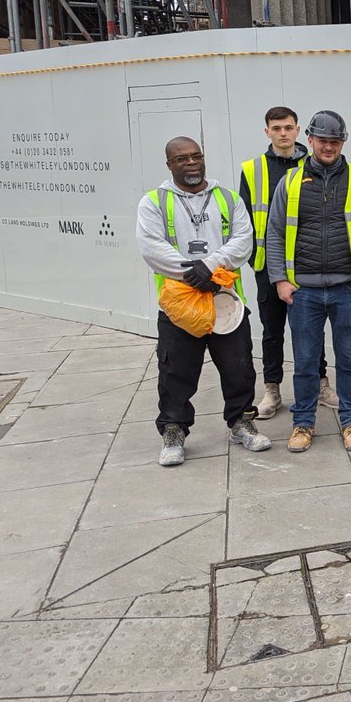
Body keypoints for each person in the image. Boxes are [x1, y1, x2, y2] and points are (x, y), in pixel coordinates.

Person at [136, 136, 271, 466]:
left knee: (238, 367)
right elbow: (153, 248)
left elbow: (243, 241)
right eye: (182, 159)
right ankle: (174, 429)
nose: (191, 163)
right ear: (170, 165)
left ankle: (241, 422)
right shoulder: (153, 202)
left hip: (225, 302)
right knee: (176, 371)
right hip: (180, 306)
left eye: (196, 156)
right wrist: (191, 273)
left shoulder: (228, 198)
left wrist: (210, 267)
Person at [265, 110, 351, 453]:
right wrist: (280, 281)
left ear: (343, 142)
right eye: (323, 141)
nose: (329, 147)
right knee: (305, 361)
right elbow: (273, 233)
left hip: (349, 288)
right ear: (311, 140)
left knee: (348, 358)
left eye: (335, 141)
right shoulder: (290, 182)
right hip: (302, 291)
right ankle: (303, 423)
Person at [238, 106, 336, 419]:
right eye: (277, 128)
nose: (283, 133)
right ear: (267, 131)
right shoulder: (252, 169)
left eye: (289, 127)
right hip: (269, 267)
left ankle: (321, 384)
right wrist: (258, 261)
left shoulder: (316, 163)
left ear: (298, 131)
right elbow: (244, 221)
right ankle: (272, 390)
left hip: (307, 264)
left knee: (312, 330)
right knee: (272, 330)